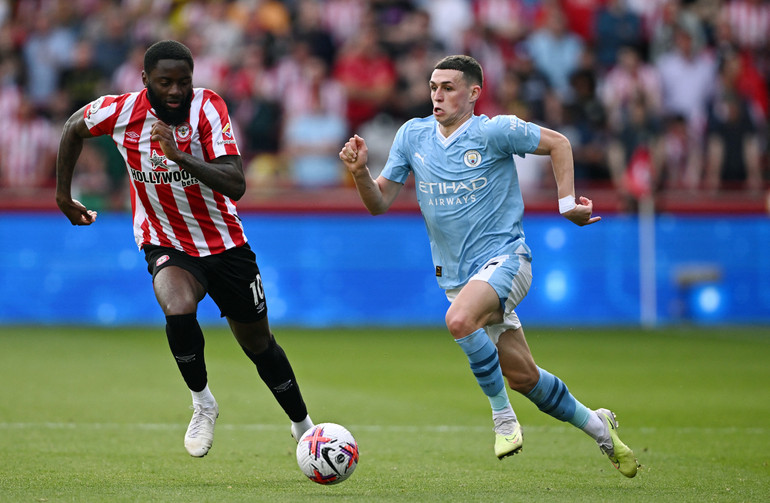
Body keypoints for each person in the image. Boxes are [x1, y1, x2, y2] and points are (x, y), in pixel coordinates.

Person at [339, 55, 638, 477]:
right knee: (524, 378)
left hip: (508, 260)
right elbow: (379, 203)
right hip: (458, 278)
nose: (437, 95)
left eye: (448, 87)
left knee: (459, 321)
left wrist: (567, 202)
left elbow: (559, 143)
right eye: (433, 87)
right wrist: (359, 174)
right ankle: (600, 427)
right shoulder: (413, 135)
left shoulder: (494, 131)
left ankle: (503, 419)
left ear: (474, 93)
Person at [55, 40, 314, 458]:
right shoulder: (121, 111)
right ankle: (202, 403)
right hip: (165, 241)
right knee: (176, 305)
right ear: (145, 81)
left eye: (183, 82)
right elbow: (73, 127)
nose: (176, 91)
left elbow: (236, 183)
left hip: (225, 244)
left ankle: (303, 425)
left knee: (258, 343)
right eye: (165, 83)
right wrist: (63, 196)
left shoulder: (209, 109)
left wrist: (178, 155)